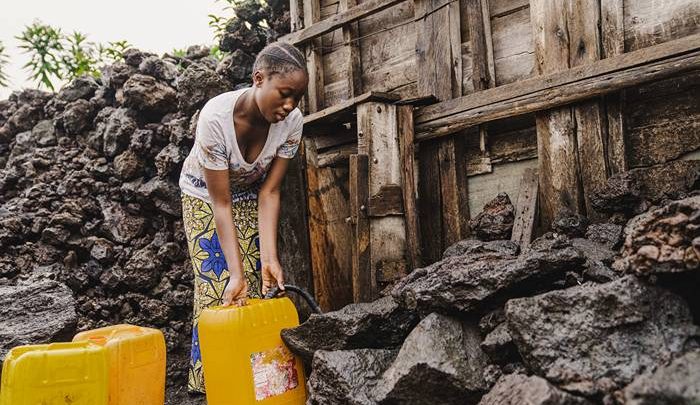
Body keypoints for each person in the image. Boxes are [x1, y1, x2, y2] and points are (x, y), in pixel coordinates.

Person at [178, 41, 308, 394]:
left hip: (251, 194)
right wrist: (234, 272)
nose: (290, 105)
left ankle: (254, 381)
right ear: (258, 78)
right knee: (220, 284)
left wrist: (270, 259)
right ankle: (210, 383)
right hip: (204, 195)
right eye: (284, 94)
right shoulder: (215, 119)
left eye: (297, 97)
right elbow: (221, 204)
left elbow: (269, 192)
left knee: (257, 281)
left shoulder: (292, 123)